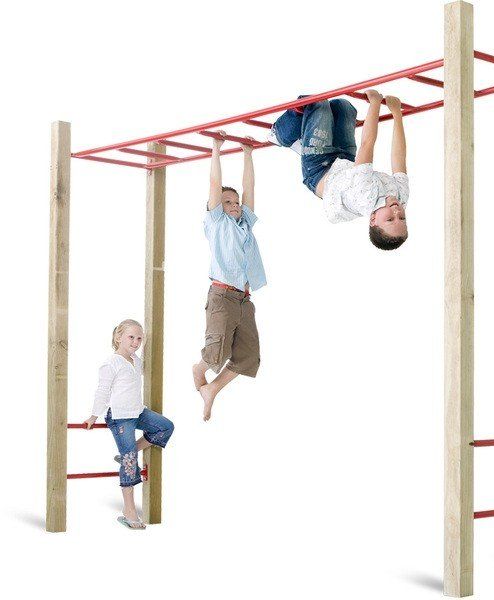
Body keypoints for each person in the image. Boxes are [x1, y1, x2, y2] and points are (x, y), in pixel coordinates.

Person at [269, 90, 409, 250]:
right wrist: (397, 114)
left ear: (373, 219)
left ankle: (279, 134)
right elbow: (399, 157)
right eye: (402, 218)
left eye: (390, 219)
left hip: (318, 168)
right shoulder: (402, 197)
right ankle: (304, 134)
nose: (397, 212)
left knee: (317, 104)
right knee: (343, 107)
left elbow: (367, 144)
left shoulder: (366, 197)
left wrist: (375, 103)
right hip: (345, 161)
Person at [192, 132, 266, 421]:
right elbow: (214, 185)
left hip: (243, 299)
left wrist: (248, 153)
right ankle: (198, 370)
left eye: (235, 202)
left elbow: (249, 187)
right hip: (222, 296)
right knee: (214, 356)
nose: (234, 205)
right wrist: (216, 148)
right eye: (227, 202)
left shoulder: (244, 224)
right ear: (215, 208)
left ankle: (211, 391)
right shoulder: (216, 223)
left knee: (249, 357)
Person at [84, 319, 174, 529]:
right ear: (118, 337)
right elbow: (102, 391)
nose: (135, 342)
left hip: (138, 411)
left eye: (139, 338)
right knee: (130, 462)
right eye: (131, 337)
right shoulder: (111, 363)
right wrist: (94, 416)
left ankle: (129, 453)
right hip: (120, 416)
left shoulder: (136, 360)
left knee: (165, 426)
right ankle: (129, 510)